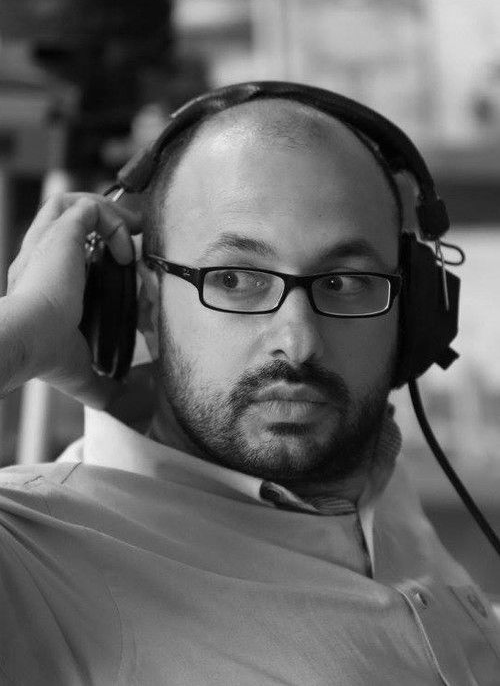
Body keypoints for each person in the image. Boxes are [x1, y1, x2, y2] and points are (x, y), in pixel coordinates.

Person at [0, 85, 499, 685]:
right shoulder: (34, 556)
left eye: (344, 282)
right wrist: (22, 332)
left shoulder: (366, 476)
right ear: (148, 305)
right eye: (235, 278)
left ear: (414, 313)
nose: (299, 341)